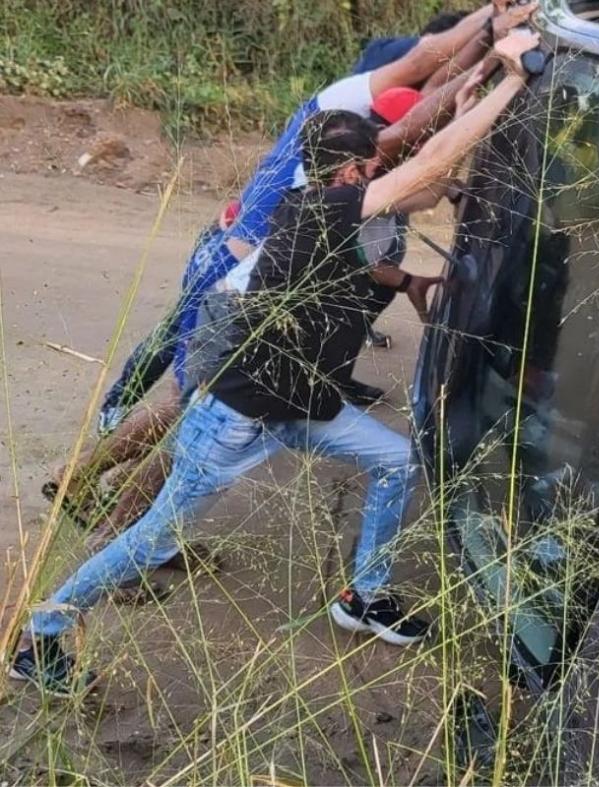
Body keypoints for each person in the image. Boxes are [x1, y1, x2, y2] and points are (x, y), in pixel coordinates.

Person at [10, 31, 540, 695]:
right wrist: (515, 81)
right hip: (234, 416)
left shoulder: (326, 208)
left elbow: (420, 180)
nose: (380, 173)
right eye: (372, 167)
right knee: (150, 540)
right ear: (349, 174)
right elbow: (426, 166)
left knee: (398, 461)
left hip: (296, 408)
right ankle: (42, 633)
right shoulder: (321, 210)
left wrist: (470, 93)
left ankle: (364, 593)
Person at [45, 1, 536, 544]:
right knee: (194, 417)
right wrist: (499, 62)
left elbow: (401, 203)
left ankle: (83, 483)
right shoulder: (350, 153)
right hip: (233, 283)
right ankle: (120, 539)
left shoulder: (349, 161)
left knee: (185, 402)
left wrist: (476, 80)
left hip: (233, 281)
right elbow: (419, 126)